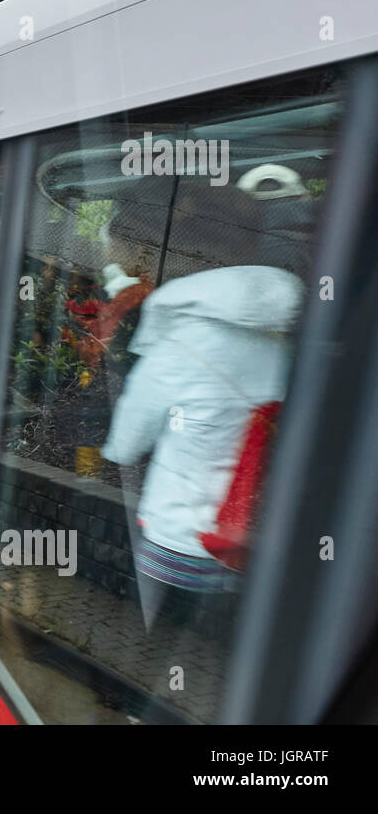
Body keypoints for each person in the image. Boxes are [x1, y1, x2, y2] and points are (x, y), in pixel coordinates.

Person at [101, 265, 304, 625]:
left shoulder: (180, 347)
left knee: (150, 640)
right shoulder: (287, 352)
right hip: (250, 538)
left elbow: (128, 442)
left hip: (177, 537)